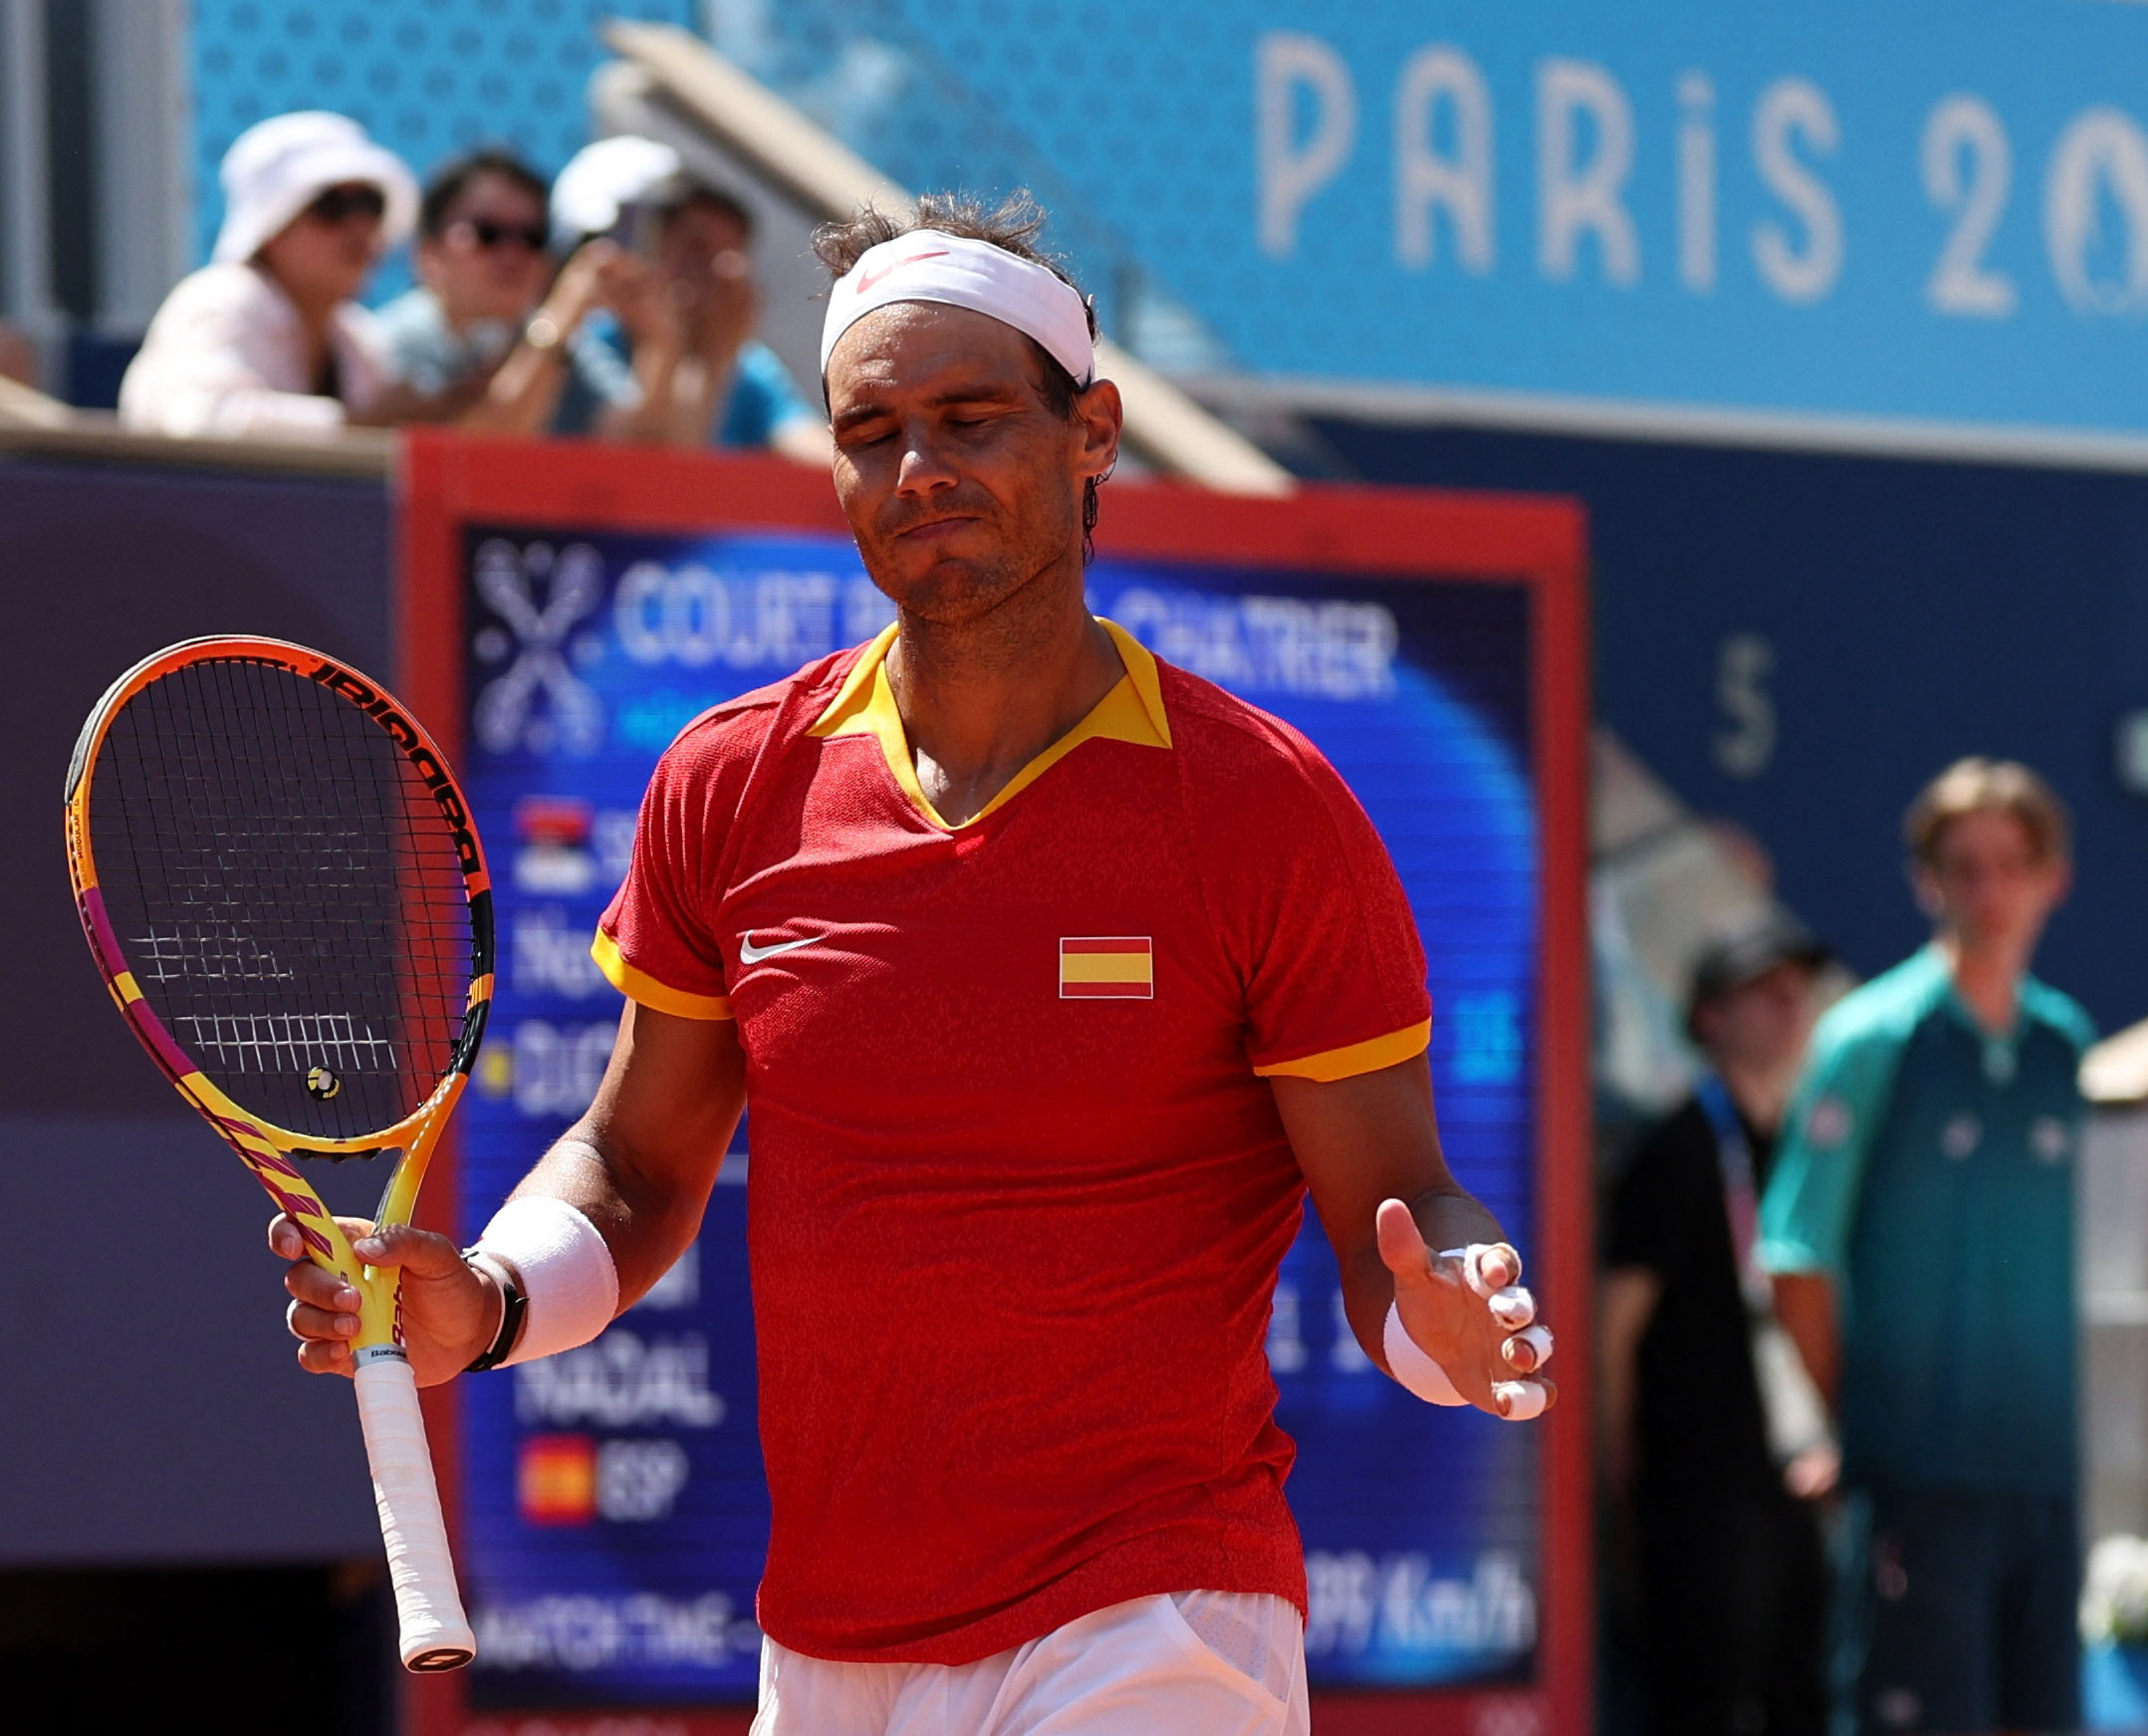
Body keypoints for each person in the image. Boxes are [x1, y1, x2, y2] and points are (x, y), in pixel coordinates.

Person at [274, 189, 1552, 1734]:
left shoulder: (1266, 806)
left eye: (968, 419)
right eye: (869, 430)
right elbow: (633, 1164)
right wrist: (484, 1299)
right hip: (826, 1645)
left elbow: (1393, 1218)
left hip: (1158, 1612)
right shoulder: (728, 781)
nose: (918, 470)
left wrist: (1449, 1323)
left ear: (1093, 434)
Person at [1758, 758, 2092, 1736]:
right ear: (1925, 881)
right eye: (1963, 867)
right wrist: (1862, 1420)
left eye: (2008, 865)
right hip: (1916, 1484)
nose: (1987, 892)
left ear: (2050, 879)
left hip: (2040, 1478)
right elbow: (1792, 1255)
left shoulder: (2060, 1042)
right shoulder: (1869, 1038)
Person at [1601, 905, 1834, 1736]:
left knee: (1798, 1696)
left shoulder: (1801, 1143)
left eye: (1796, 990)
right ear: (1707, 1016)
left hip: (1790, 1483)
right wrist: (1617, 1471)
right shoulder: (1675, 1149)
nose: (1789, 1005)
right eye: (1761, 990)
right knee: (1698, 1700)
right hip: (1695, 1491)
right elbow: (1613, 1330)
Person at [119, 112, 444, 436]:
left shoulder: (355, 338)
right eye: (330, 206)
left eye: (371, 204)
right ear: (272, 226)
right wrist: (352, 422)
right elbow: (198, 421)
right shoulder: (222, 298)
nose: (359, 226)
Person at [547, 137, 832, 465]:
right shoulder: (594, 342)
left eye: (731, 252)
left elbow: (816, 455)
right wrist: (684, 349)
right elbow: (646, 468)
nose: (719, 269)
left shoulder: (750, 368)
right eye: (696, 247)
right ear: (651, 247)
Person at [371, 147, 641, 436]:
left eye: (531, 237)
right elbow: (477, 453)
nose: (512, 255)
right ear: (428, 254)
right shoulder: (386, 344)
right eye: (488, 233)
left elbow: (642, 446)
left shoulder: (564, 340)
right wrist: (555, 326)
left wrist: (662, 341)